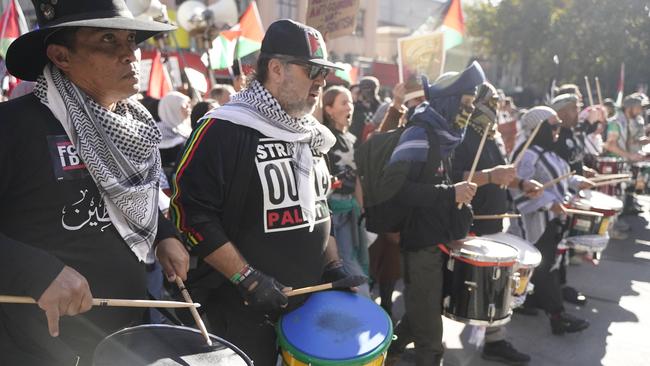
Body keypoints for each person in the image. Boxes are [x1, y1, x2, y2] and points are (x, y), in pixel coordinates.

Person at [0, 1, 189, 365]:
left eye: (131, 40)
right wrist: (34, 270)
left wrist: (163, 232)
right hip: (37, 349)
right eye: (107, 40)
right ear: (61, 56)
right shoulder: (11, 127)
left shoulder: (135, 126)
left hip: (128, 342)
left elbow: (127, 200)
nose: (130, 55)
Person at [170, 19, 355, 365]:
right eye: (312, 70)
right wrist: (247, 278)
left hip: (305, 309)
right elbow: (188, 212)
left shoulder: (310, 134)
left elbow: (318, 206)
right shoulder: (223, 128)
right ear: (275, 68)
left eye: (324, 73)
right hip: (240, 312)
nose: (321, 82)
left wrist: (334, 265)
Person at [386, 62, 485, 366]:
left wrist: (459, 201)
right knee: (431, 339)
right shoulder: (419, 132)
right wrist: (450, 192)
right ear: (448, 102)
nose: (469, 111)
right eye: (465, 104)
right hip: (419, 243)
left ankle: (388, 353)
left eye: (472, 104)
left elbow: (442, 186)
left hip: (439, 239)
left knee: (422, 313)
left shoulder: (447, 136)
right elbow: (398, 190)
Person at [452, 82, 543, 365]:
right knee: (470, 288)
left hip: (494, 225)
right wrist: (490, 175)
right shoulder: (462, 137)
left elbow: (503, 174)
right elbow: (456, 176)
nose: (494, 109)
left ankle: (493, 339)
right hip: (470, 223)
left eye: (496, 103)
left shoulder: (492, 138)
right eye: (489, 103)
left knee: (494, 288)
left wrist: (523, 183)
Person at [508, 107, 591, 335]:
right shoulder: (526, 154)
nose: (558, 130)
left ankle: (529, 302)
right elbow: (516, 188)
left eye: (558, 125)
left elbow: (556, 178)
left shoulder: (546, 150)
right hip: (533, 221)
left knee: (545, 265)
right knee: (545, 267)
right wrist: (548, 203)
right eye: (553, 126)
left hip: (550, 219)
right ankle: (557, 316)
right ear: (538, 128)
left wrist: (576, 181)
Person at [369, 81, 427, 317]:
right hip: (385, 211)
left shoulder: (425, 133)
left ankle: (388, 308)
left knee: (397, 272)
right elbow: (381, 138)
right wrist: (396, 104)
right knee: (381, 265)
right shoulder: (393, 134)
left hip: (411, 214)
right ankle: (382, 309)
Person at [322, 86, 370, 296]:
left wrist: (360, 208)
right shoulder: (324, 137)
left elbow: (357, 177)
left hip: (351, 209)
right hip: (335, 211)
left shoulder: (351, 138)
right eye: (344, 102)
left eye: (350, 101)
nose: (349, 106)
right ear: (329, 109)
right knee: (345, 259)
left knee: (357, 255)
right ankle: (365, 300)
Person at [604, 93, 650, 214]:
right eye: (639, 107)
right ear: (630, 107)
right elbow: (610, 145)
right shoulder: (616, 122)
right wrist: (630, 156)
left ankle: (624, 211)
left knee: (624, 191)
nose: (641, 111)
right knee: (614, 195)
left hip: (623, 163)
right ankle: (615, 226)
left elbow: (630, 141)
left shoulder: (628, 121)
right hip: (614, 164)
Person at [158, 91, 192, 179]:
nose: (189, 108)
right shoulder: (156, 131)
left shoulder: (187, 128)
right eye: (184, 105)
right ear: (172, 107)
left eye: (189, 104)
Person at [350, 76, 382, 146]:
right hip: (356, 143)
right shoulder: (354, 107)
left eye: (369, 88)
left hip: (373, 144)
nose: (367, 91)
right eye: (364, 88)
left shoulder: (380, 108)